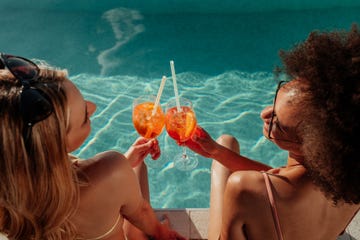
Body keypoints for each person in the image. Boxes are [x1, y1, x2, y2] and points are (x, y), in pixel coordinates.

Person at [183, 25, 360, 239]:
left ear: (309, 143)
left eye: (277, 121)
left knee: (225, 164)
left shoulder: (244, 189)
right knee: (225, 145)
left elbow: (269, 190)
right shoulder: (348, 174)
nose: (264, 114)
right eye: (275, 100)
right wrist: (217, 152)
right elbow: (283, 186)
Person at [0, 53, 185, 240]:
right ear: (54, 145)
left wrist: (125, 163)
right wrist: (163, 234)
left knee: (135, 166)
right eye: (84, 117)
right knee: (138, 171)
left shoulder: (9, 199)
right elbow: (142, 213)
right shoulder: (112, 170)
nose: (93, 107)